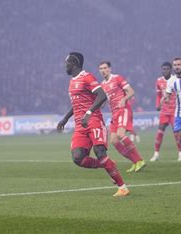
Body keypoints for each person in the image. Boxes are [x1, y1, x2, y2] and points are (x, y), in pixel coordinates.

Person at [57, 52, 129, 197]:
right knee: (77, 158)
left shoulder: (87, 77)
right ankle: (107, 164)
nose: (65, 66)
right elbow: (77, 104)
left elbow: (102, 95)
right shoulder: (72, 82)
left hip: (93, 121)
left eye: (67, 63)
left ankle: (123, 188)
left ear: (74, 64)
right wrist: (65, 118)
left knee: (100, 152)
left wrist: (89, 113)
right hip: (80, 125)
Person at [98, 61, 146, 172]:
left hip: (123, 110)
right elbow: (104, 101)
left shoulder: (117, 78)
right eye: (101, 69)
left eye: (105, 68)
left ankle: (140, 160)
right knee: (114, 141)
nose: (103, 70)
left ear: (109, 69)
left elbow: (131, 92)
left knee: (120, 135)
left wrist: (124, 99)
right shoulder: (103, 85)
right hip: (114, 113)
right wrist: (99, 106)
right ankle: (135, 162)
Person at [150, 62, 181, 162]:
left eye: (167, 69)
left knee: (176, 133)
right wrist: (158, 105)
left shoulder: (175, 80)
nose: (165, 71)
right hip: (164, 111)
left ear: (171, 70)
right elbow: (158, 95)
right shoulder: (159, 81)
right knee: (160, 132)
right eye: (163, 69)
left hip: (175, 111)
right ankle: (156, 154)